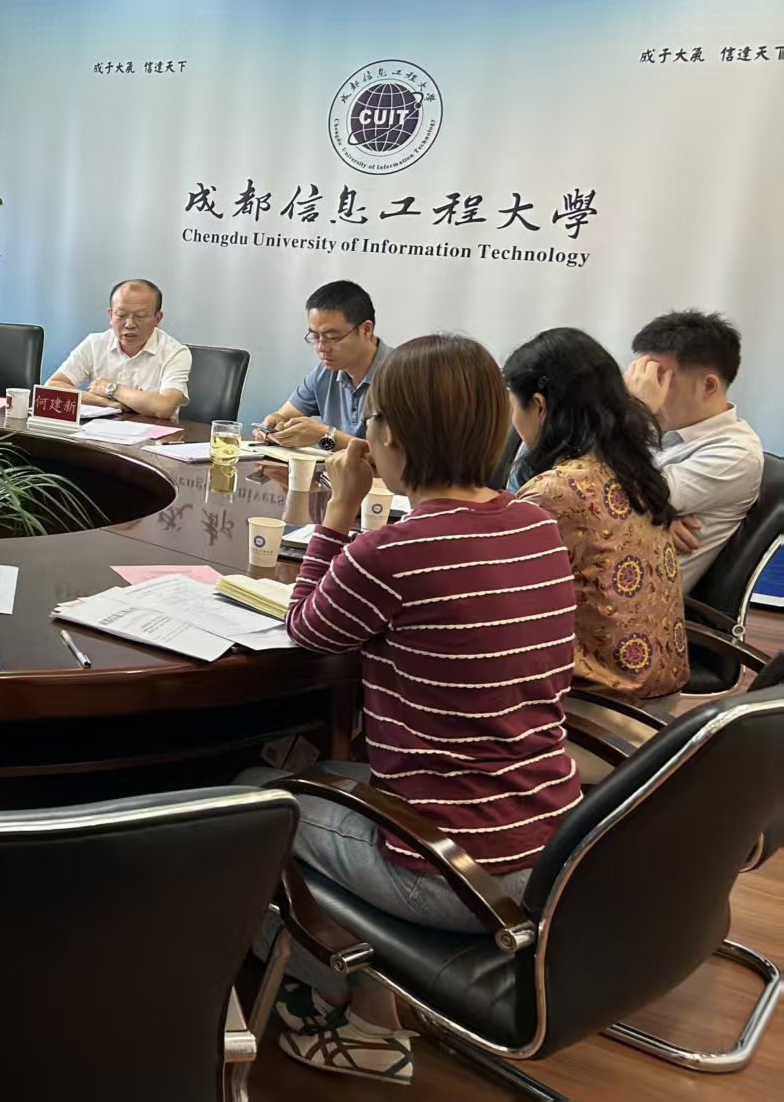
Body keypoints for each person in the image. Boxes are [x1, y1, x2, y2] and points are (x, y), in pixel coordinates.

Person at [245, 334, 580, 1086]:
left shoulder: (393, 552)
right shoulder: (536, 524)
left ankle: (347, 1012)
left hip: (453, 870)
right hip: (553, 844)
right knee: (325, 768)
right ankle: (375, 990)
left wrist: (339, 506)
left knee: (249, 799)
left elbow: (305, 627)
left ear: (389, 435)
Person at [504, 329, 688, 702]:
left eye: (513, 405)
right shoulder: (634, 471)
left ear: (539, 405)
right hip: (655, 698)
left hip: (601, 706)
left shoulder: (557, 491)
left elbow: (495, 593)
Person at [625, 310, 763, 591]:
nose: (648, 392)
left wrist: (648, 511)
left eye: (659, 381)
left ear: (708, 385)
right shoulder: (659, 425)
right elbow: (581, 479)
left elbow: (603, 500)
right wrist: (655, 514)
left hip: (637, 599)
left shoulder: (736, 453)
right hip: (604, 567)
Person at [257, 280, 391, 451]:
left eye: (332, 337)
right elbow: (282, 416)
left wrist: (326, 435)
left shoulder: (402, 377)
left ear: (366, 330)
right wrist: (273, 426)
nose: (321, 347)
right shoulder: (325, 373)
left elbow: (399, 456)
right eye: (315, 337)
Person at [46, 279, 190, 419]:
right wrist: (106, 402)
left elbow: (164, 407)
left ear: (157, 318)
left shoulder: (175, 352)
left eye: (140, 316)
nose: (129, 324)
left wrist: (110, 388)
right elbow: (52, 387)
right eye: (121, 315)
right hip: (100, 429)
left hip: (154, 432)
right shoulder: (95, 343)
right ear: (111, 315)